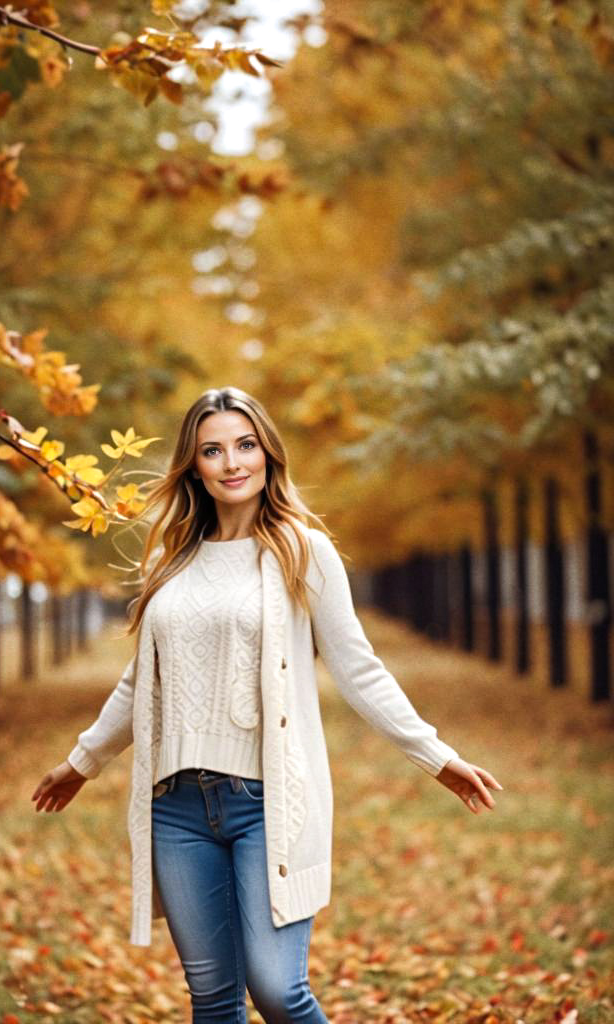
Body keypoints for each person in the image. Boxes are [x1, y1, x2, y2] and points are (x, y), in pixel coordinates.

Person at [32, 386, 503, 1024]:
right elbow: (143, 680)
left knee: (278, 990)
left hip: (266, 804)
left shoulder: (302, 551)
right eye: (213, 450)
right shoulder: (171, 563)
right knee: (214, 1001)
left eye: (245, 445)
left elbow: (358, 667)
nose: (232, 462)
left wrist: (435, 755)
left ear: (267, 454)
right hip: (176, 809)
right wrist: (82, 762)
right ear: (193, 465)